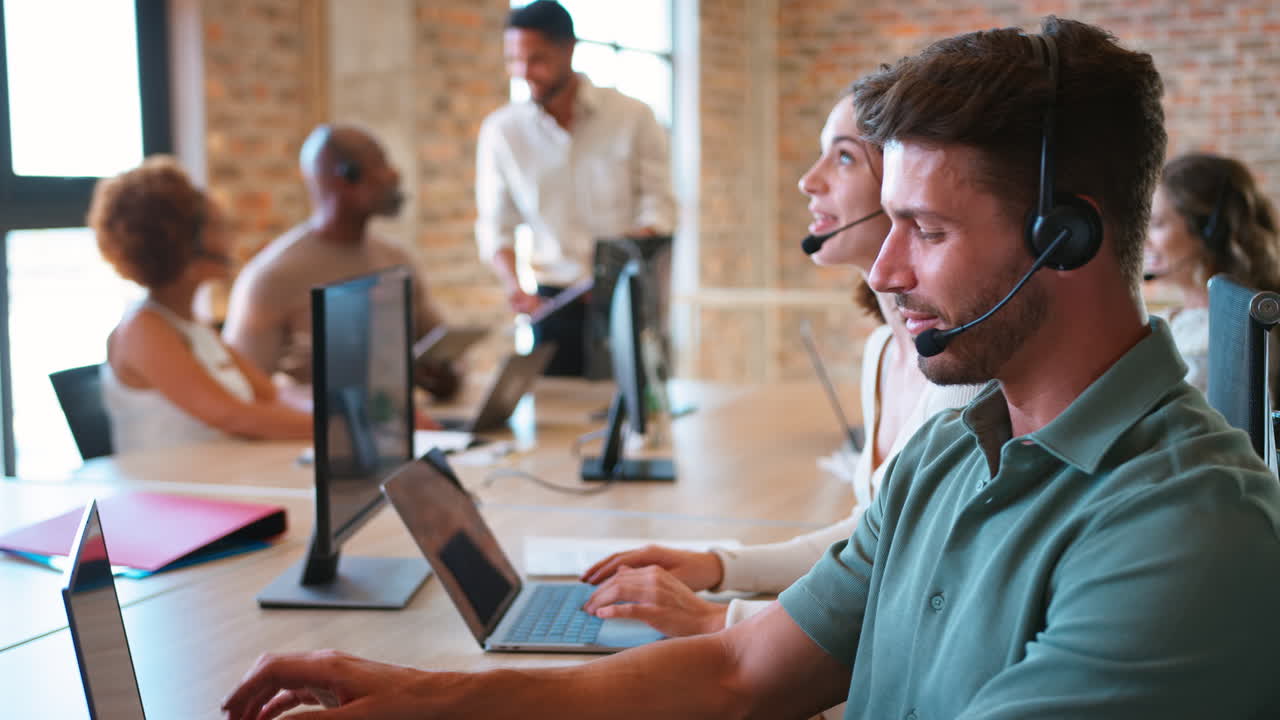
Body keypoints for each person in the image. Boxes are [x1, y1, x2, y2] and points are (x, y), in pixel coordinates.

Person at [222, 18, 1280, 720]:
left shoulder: (1185, 535)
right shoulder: (951, 460)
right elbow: (737, 671)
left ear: (1065, 237)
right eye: (890, 223)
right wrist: (421, 698)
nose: (889, 268)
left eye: (925, 229)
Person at [577, 93, 982, 650]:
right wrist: (717, 567)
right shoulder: (884, 352)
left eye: (842, 158)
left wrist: (722, 621)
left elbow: (915, 590)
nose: (808, 181)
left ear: (903, 185)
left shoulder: (964, 377)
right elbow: (867, 542)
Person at [476, 0, 677, 376]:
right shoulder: (502, 132)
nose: (523, 72)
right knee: (557, 413)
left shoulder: (633, 117)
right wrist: (513, 286)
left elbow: (659, 208)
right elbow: (495, 224)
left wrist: (612, 268)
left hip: (625, 293)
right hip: (553, 303)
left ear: (568, 49)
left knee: (635, 409)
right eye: (513, 60)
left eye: (536, 59)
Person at [223, 124, 458, 406]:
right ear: (346, 177)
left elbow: (443, 351)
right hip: (310, 438)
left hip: (392, 426)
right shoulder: (273, 277)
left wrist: (442, 375)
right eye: (380, 163)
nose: (394, 174)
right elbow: (244, 391)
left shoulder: (397, 259)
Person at [90, 157, 311, 452]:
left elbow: (270, 395)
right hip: (169, 492)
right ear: (183, 245)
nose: (231, 238)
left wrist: (338, 412)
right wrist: (335, 428)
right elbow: (235, 417)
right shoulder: (142, 330)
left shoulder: (193, 325)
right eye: (219, 227)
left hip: (219, 479)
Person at [1144, 152, 1280, 392]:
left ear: (1209, 232)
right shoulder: (1169, 321)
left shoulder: (1233, 337)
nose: (1144, 240)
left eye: (1157, 224)